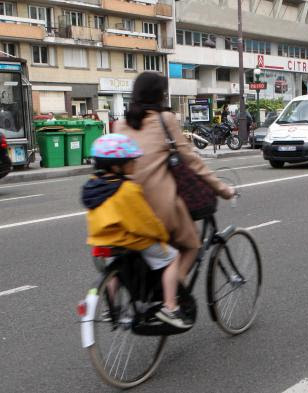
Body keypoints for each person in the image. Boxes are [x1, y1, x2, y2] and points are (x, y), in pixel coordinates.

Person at [116, 73, 235, 289]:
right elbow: (192, 161)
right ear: (158, 96)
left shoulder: (120, 124)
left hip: (123, 205)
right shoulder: (165, 120)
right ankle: (174, 299)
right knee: (192, 245)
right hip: (157, 205)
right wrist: (222, 189)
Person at [81, 134, 191, 329]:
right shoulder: (127, 189)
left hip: (102, 241)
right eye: (130, 161)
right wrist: (162, 235)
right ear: (117, 166)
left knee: (114, 269)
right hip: (130, 240)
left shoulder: (92, 186)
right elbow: (144, 222)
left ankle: (111, 308)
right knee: (172, 258)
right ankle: (170, 307)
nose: (134, 164)